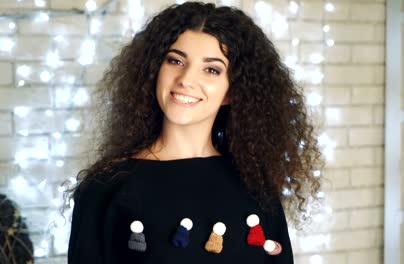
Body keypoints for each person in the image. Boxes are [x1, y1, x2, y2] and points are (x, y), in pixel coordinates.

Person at [67, 2, 322, 263]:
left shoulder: (256, 187)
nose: (186, 79)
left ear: (232, 91)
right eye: (175, 60)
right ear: (155, 71)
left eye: (211, 69)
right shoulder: (105, 188)